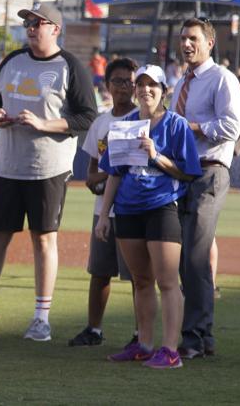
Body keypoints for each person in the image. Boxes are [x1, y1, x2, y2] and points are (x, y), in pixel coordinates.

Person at [0, 2, 97, 340]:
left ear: (55, 28)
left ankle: (41, 318)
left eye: (38, 22)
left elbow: (88, 116)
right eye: (28, 22)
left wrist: (44, 124)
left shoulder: (69, 67)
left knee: (43, 240)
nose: (30, 27)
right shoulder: (13, 61)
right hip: (7, 165)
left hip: (48, 167)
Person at [96, 64, 202, 369]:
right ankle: (143, 344)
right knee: (141, 280)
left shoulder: (176, 125)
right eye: (140, 85)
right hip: (128, 209)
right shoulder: (124, 125)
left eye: (152, 85)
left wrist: (156, 155)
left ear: (163, 90)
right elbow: (114, 173)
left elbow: (188, 172)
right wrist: (104, 215)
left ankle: (170, 350)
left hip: (161, 206)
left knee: (167, 281)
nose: (145, 90)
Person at [171, 18, 240, 360]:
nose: (187, 44)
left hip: (210, 171)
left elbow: (231, 125)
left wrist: (194, 127)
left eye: (193, 39)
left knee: (195, 257)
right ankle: (203, 335)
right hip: (182, 175)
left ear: (209, 43)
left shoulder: (222, 78)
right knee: (186, 257)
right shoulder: (181, 81)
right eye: (184, 38)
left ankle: (194, 336)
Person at [68, 58, 138, 347]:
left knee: (138, 277)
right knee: (99, 271)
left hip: (133, 210)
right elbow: (91, 175)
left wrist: (108, 179)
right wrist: (105, 180)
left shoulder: (143, 119)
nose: (124, 87)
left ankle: (140, 334)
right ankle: (93, 329)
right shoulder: (101, 122)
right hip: (103, 210)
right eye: (118, 81)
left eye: (129, 81)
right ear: (107, 85)